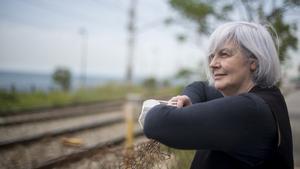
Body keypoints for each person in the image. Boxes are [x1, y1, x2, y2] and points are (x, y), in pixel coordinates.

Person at [143, 21, 293, 169]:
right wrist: (188, 98)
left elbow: (157, 123)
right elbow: (200, 87)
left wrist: (153, 107)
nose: (213, 64)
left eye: (224, 54)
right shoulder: (267, 95)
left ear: (253, 61)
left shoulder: (250, 110)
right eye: (212, 56)